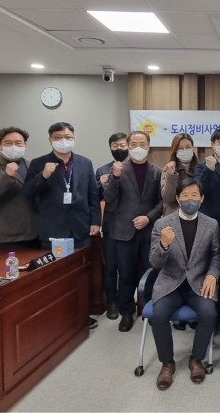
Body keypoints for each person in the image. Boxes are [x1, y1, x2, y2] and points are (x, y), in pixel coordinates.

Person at [149, 178, 220, 390]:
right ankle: (167, 363)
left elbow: (216, 255)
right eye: (186, 196)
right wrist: (163, 245)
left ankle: (196, 359)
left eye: (194, 196)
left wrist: (212, 275)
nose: (190, 200)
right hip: (170, 283)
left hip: (199, 283)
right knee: (158, 315)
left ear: (202, 198)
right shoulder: (162, 224)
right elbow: (154, 263)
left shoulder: (211, 224)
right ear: (178, 198)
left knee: (209, 313)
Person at [104, 131, 163, 332]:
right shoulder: (119, 169)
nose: (138, 147)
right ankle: (126, 313)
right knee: (126, 274)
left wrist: (148, 217)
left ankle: (149, 310)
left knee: (149, 272)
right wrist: (115, 177)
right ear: (128, 146)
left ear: (148, 146)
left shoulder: (157, 171)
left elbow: (161, 202)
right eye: (134, 144)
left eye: (142, 143)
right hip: (123, 231)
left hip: (148, 231)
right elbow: (109, 198)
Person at [24, 122, 101, 249]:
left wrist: (95, 222)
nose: (63, 141)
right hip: (52, 230)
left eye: (68, 137)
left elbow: (93, 195)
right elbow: (27, 193)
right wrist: (43, 176)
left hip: (81, 229)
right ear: (50, 140)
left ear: (74, 138)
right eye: (58, 137)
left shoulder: (85, 163)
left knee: (82, 261)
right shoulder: (38, 163)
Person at [0, 126, 36, 245]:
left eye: (18, 143)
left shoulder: (33, 166)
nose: (14, 146)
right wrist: (7, 176)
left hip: (35, 234)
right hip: (8, 238)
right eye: (8, 143)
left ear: (25, 145)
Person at [96, 132, 128, 320]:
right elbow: (95, 197)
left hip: (130, 225)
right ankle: (111, 303)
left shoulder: (133, 168)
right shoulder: (102, 170)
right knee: (110, 267)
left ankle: (125, 303)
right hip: (110, 225)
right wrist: (101, 185)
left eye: (123, 145)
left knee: (126, 267)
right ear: (110, 147)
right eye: (115, 146)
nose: (119, 149)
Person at [161, 133, 199, 216]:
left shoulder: (200, 168)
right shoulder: (168, 169)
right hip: (174, 216)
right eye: (180, 148)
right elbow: (169, 198)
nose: (185, 150)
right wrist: (171, 175)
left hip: (196, 215)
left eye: (188, 147)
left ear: (193, 148)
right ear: (175, 151)